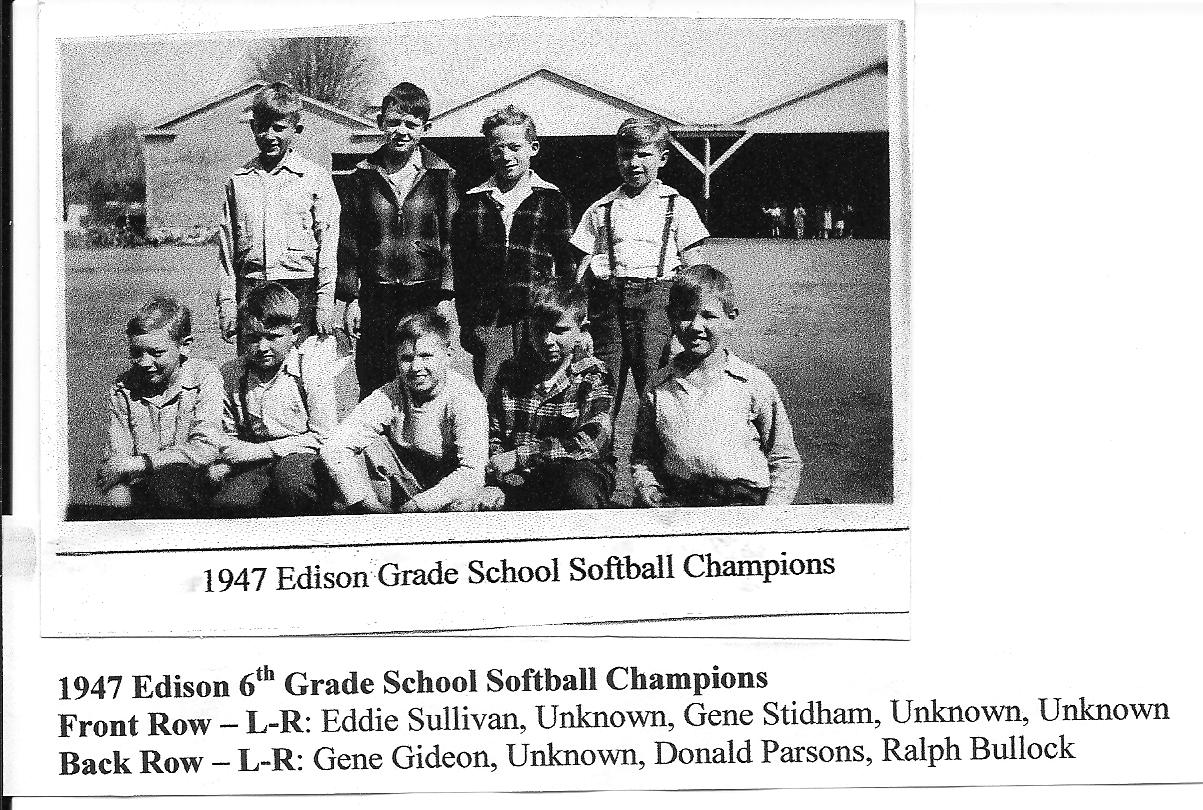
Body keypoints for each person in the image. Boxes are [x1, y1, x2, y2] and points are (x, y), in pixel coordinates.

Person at [570, 116, 708, 422]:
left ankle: (661, 461)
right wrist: (578, 320)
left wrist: (692, 315)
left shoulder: (676, 204)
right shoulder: (601, 207)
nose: (634, 163)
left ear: (663, 157)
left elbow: (694, 267)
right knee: (601, 385)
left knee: (658, 384)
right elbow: (580, 268)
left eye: (643, 154)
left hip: (657, 302)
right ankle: (597, 460)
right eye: (625, 155)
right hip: (607, 305)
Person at [631, 265, 801, 507]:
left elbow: (784, 459)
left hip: (743, 502)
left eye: (708, 316)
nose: (696, 326)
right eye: (686, 315)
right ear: (670, 317)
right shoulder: (659, 387)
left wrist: (771, 514)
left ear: (730, 318)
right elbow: (643, 456)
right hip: (680, 500)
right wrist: (649, 489)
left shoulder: (752, 383)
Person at [338, 81, 459, 400]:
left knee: (422, 372)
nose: (401, 131)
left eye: (411, 124)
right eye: (393, 123)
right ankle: (375, 445)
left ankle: (420, 442)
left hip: (424, 292)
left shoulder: (441, 175)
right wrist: (351, 298)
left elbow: (450, 238)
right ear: (380, 124)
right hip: (376, 294)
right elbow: (350, 241)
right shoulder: (362, 176)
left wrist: (446, 295)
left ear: (425, 128)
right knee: (374, 374)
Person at [453, 105, 575, 399]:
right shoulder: (474, 202)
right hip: (491, 320)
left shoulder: (552, 200)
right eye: (497, 149)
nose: (506, 156)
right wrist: (469, 322)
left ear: (533, 148)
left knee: (540, 392)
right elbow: (462, 268)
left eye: (514, 147)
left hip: (539, 318)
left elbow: (567, 265)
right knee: (493, 395)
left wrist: (565, 317)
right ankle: (494, 447)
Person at [216, 81, 340, 361]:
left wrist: (324, 301)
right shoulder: (239, 181)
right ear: (252, 127)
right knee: (255, 372)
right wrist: (227, 303)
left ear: (296, 131)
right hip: (252, 288)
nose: (268, 135)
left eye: (278, 128)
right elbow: (226, 249)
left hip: (300, 291)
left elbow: (328, 244)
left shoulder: (315, 178)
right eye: (261, 126)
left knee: (302, 373)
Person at [320, 310, 488, 513]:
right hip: (406, 481)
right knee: (366, 450)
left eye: (426, 356)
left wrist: (419, 505)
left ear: (448, 355)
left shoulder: (465, 396)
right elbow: (335, 446)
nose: (416, 367)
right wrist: (366, 503)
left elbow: (472, 472)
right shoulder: (392, 392)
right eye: (407, 358)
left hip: (447, 488)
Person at [484, 281, 616, 510]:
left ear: (581, 331)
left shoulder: (594, 375)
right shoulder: (510, 373)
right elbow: (493, 433)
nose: (547, 340)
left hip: (573, 473)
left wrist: (520, 456)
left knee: (581, 486)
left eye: (559, 330)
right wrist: (500, 472)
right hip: (515, 477)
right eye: (538, 329)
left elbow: (593, 442)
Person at [210, 283, 337, 517]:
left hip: (303, 459)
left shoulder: (311, 368)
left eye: (273, 337)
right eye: (253, 338)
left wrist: (266, 450)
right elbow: (226, 433)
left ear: (295, 333)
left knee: (292, 481)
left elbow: (324, 436)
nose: (262, 347)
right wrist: (230, 456)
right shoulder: (231, 374)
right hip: (253, 460)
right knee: (229, 502)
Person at [96, 296, 223, 518]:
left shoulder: (206, 376)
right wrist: (119, 475)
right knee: (115, 496)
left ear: (185, 346)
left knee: (169, 481)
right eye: (137, 353)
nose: (144, 363)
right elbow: (117, 460)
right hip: (142, 484)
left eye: (156, 353)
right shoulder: (123, 389)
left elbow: (206, 449)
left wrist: (143, 463)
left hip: (195, 482)